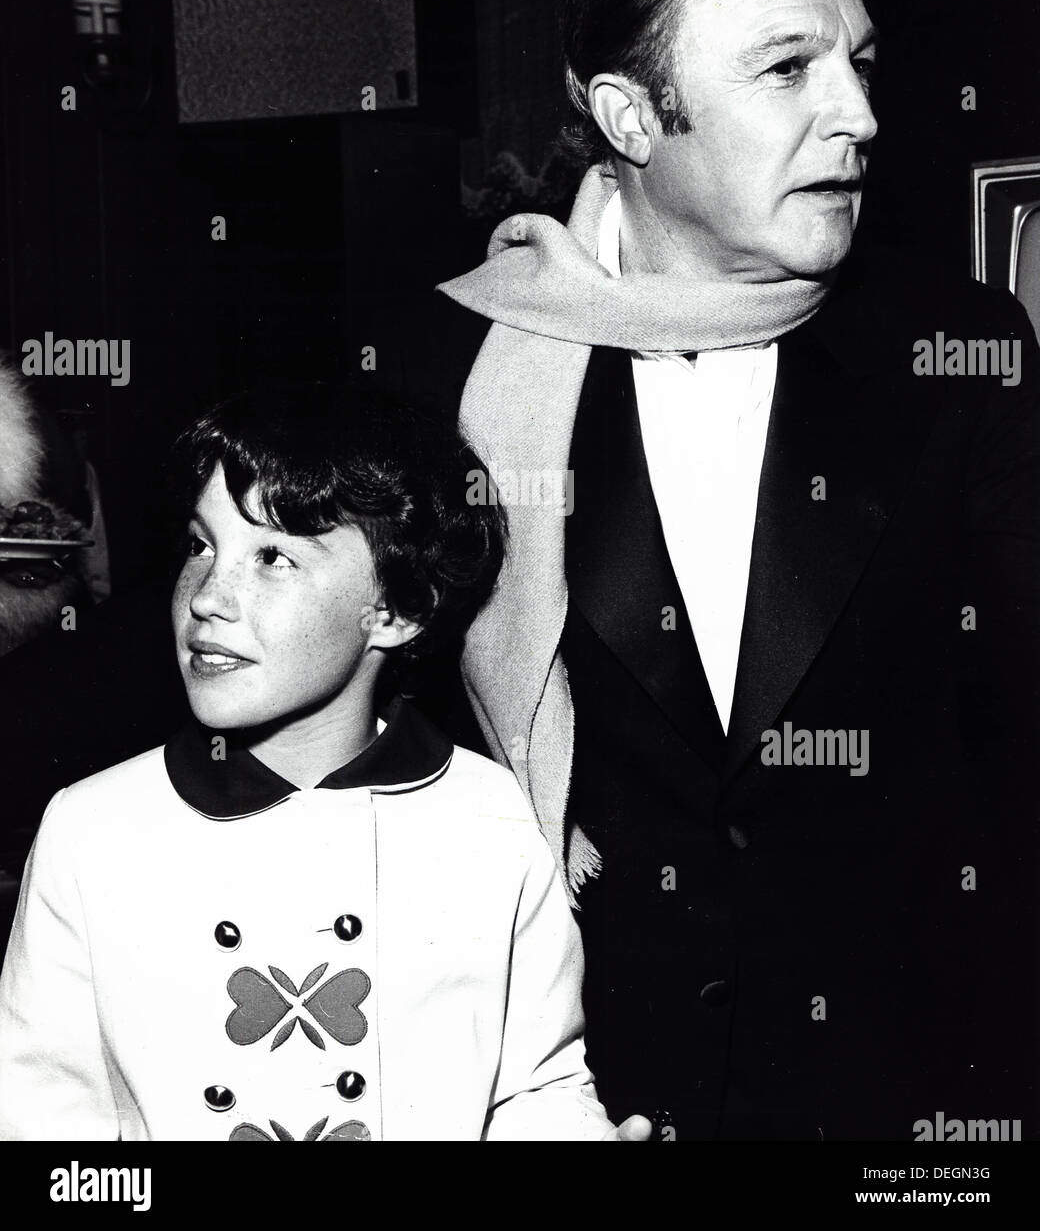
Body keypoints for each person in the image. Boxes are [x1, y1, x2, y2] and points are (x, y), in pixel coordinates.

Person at [407, 0, 1039, 1140]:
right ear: (629, 115)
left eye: (857, 62)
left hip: (916, 1103)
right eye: (786, 68)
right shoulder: (455, 371)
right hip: (570, 1087)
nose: (855, 115)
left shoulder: (961, 354)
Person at [0, 384, 649, 1141]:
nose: (208, 597)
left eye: (273, 557)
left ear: (398, 612)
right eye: (201, 544)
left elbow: (537, 1088)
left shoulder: (491, 820)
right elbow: (40, 1126)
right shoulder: (93, 829)